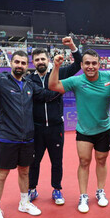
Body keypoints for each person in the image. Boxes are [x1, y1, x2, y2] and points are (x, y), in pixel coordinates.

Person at [0, 50, 59, 218]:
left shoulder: (29, 84)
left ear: (27, 66)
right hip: (7, 137)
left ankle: (24, 202)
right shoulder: (0, 80)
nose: (20, 65)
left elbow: (46, 95)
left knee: (25, 171)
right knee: (2, 174)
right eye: (17, 62)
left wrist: (67, 86)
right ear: (11, 64)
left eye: (23, 63)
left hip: (28, 137)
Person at [49, 49, 110, 213]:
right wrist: (56, 67)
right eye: (87, 63)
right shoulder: (76, 81)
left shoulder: (109, 77)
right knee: (84, 162)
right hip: (84, 131)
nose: (91, 66)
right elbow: (53, 85)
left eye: (94, 63)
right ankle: (83, 196)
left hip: (104, 129)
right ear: (82, 65)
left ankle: (100, 191)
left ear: (99, 64)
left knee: (101, 161)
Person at [27, 36, 82, 205]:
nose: (40, 62)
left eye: (42, 58)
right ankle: (32, 189)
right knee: (34, 161)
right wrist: (59, 92)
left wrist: (72, 46)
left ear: (48, 59)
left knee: (57, 161)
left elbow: (78, 64)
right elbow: (40, 96)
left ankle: (57, 189)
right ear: (33, 63)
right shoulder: (30, 79)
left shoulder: (59, 72)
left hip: (56, 127)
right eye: (36, 60)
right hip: (36, 127)